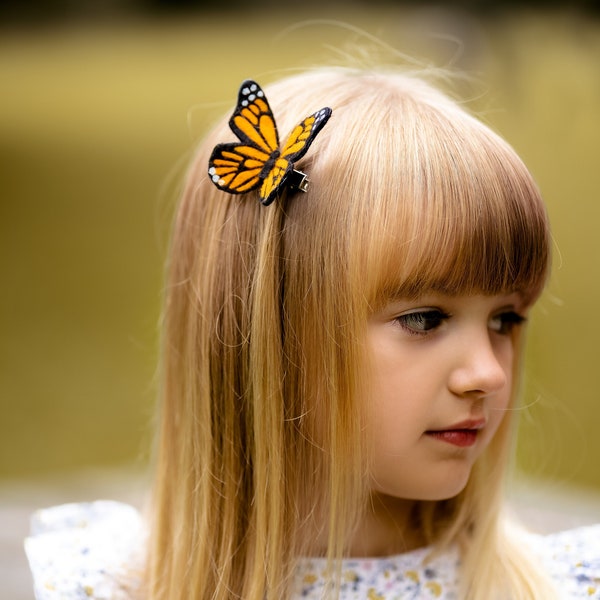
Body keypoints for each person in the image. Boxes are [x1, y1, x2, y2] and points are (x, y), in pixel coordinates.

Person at [26, 67, 600, 599]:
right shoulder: (112, 586)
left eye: (506, 319)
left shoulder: (551, 587)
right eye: (424, 319)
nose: (490, 372)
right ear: (270, 337)